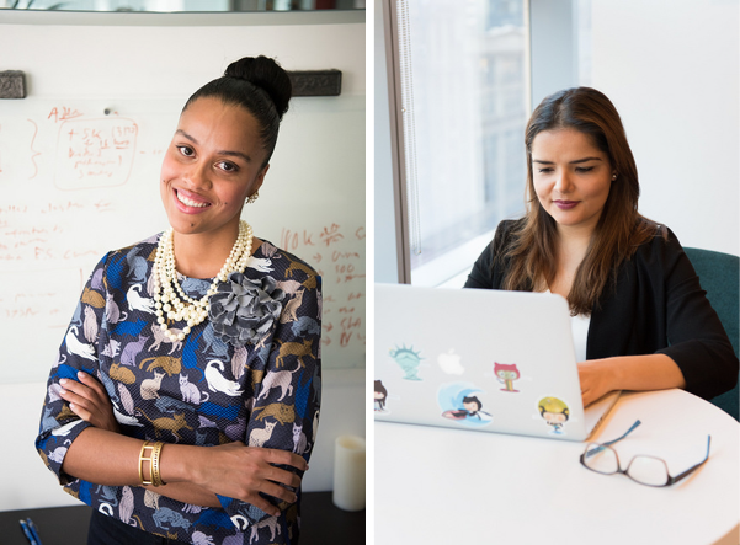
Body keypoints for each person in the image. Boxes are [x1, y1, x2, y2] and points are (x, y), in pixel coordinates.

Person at [35, 56, 321, 545]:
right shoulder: (117, 272)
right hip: (114, 533)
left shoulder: (281, 287)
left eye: (227, 165)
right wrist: (201, 465)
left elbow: (267, 483)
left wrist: (117, 449)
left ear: (257, 180)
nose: (195, 179)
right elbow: (59, 440)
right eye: (186, 150)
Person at [465, 87, 739, 407]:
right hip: (516, 420)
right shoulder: (506, 244)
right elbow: (458, 334)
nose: (562, 186)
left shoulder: (652, 250)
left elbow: (714, 359)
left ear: (614, 169)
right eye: (546, 168)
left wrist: (606, 375)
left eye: (583, 168)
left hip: (614, 433)